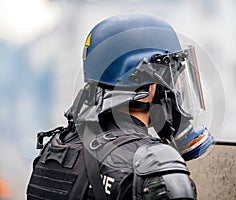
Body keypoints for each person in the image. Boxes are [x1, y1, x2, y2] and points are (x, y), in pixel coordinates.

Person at [27, 13, 214, 200]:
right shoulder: (154, 164)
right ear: (146, 79)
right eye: (171, 74)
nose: (175, 87)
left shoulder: (54, 149)